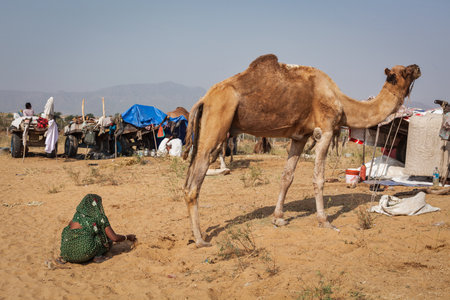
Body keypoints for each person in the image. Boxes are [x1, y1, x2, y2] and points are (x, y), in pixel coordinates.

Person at [59, 194, 136, 263]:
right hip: (83, 253)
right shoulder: (100, 218)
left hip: (66, 253)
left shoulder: (77, 216)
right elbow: (114, 238)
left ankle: (63, 258)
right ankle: (98, 256)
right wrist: (127, 237)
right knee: (104, 237)